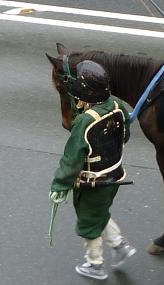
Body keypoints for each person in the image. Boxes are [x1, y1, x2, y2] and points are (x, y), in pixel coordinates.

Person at [50, 60, 136, 280]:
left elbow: (72, 159)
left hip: (93, 183)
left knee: (89, 221)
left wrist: (60, 185)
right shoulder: (117, 104)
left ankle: (95, 264)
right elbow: (125, 134)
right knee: (100, 211)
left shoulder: (85, 121)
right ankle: (119, 244)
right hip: (115, 176)